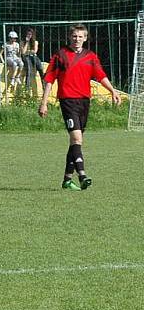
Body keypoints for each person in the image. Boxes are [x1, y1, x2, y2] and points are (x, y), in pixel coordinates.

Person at [38, 24, 121, 191]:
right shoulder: (60, 55)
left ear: (85, 38)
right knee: (76, 139)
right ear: (70, 37)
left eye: (80, 36)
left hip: (84, 102)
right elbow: (49, 80)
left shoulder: (90, 56)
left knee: (76, 142)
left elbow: (100, 75)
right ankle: (82, 175)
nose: (77, 39)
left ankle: (67, 179)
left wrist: (113, 91)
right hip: (67, 101)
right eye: (74, 36)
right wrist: (44, 102)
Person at [21, 28, 45, 94]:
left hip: (33, 56)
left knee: (40, 67)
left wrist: (29, 51)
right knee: (29, 69)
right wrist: (27, 42)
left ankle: (44, 85)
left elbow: (35, 51)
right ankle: (27, 88)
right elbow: (23, 52)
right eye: (28, 34)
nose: (29, 35)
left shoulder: (35, 42)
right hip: (26, 57)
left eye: (30, 34)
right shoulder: (22, 42)